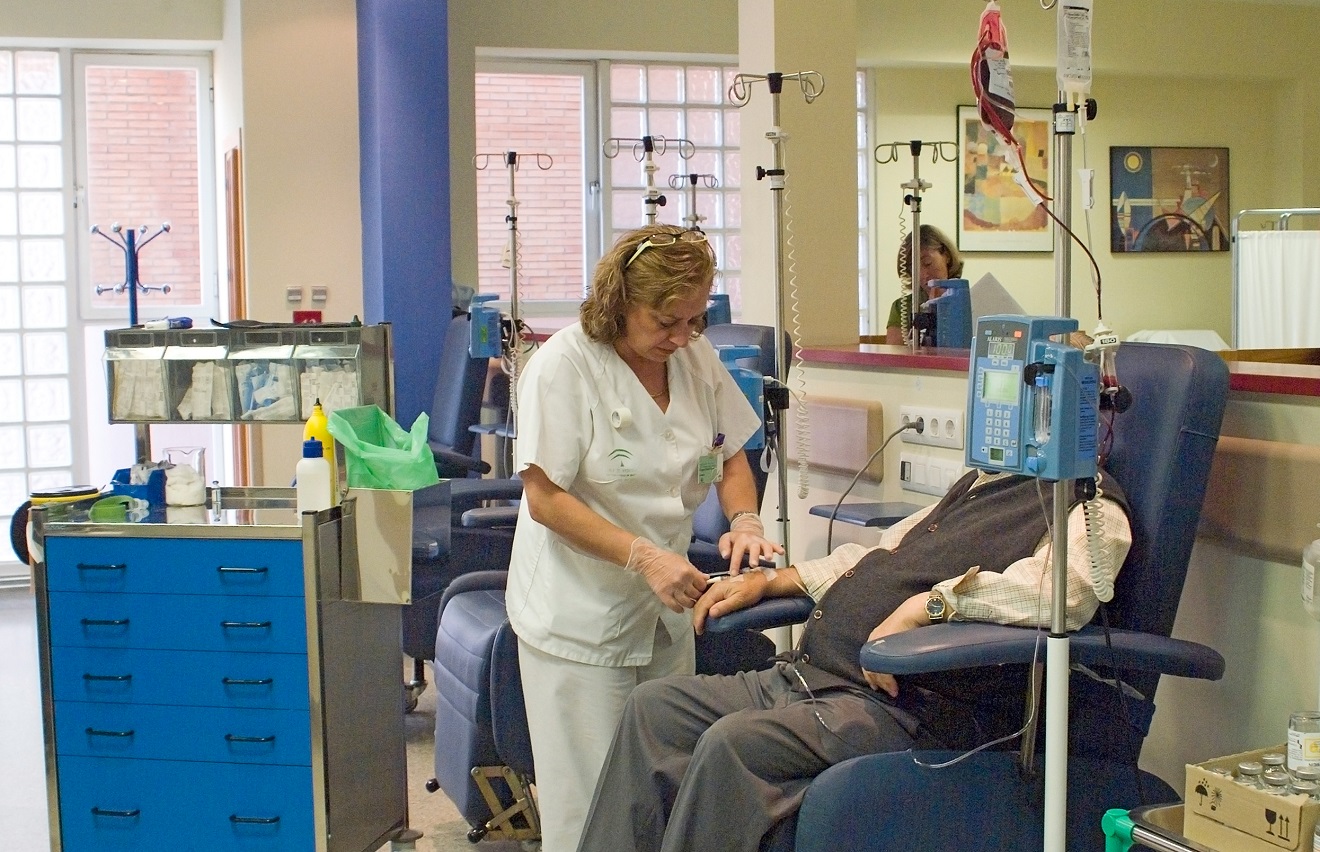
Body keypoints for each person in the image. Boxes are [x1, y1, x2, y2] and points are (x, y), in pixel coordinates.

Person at [576, 465, 1132, 852]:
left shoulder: (1091, 507)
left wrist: (930, 605)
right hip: (811, 675)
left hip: (902, 708)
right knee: (656, 709)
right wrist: (775, 581)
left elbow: (1067, 593)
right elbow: (878, 553)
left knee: (735, 746)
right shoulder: (979, 485)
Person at [506, 223, 784, 852]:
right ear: (619, 302)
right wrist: (642, 556)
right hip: (579, 615)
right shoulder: (565, 365)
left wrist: (744, 521)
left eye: (695, 320)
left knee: (661, 801)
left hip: (665, 611)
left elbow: (728, 454)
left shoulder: (693, 358)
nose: (682, 336)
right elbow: (546, 498)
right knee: (590, 812)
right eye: (666, 320)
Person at [884, 224, 965, 345]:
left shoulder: (968, 300)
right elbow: (894, 357)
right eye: (914, 268)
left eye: (927, 263)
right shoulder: (902, 308)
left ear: (946, 256)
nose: (923, 274)